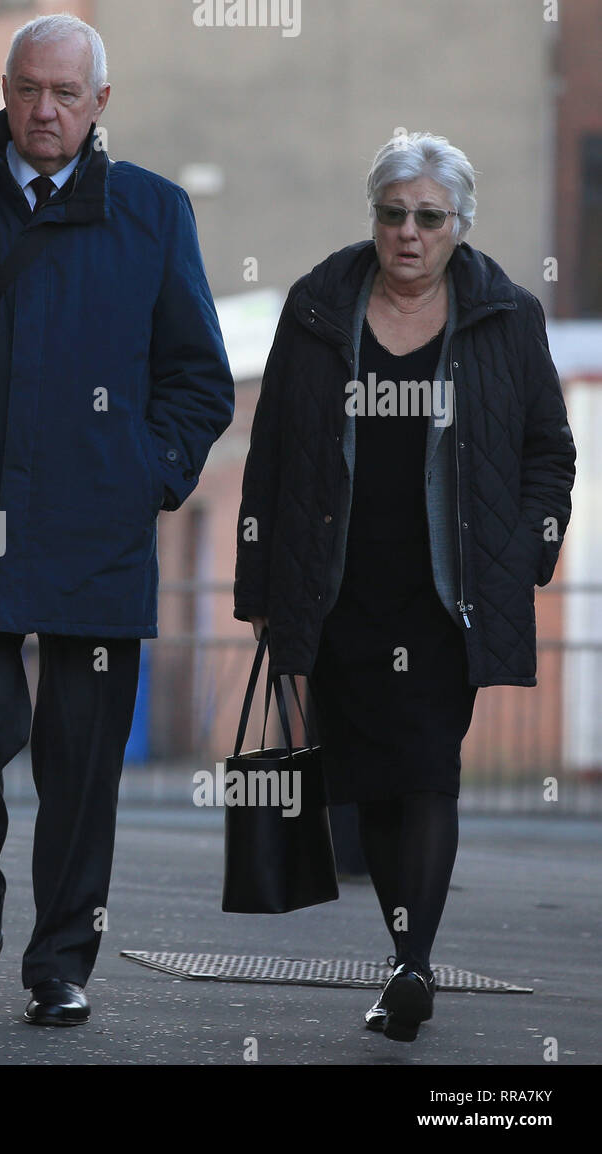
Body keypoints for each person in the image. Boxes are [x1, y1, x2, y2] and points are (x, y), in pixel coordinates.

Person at [0, 14, 234, 1027]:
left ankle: (60, 959)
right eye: (28, 89)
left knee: (81, 763)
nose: (44, 110)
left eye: (66, 93)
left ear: (100, 103)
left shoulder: (152, 212)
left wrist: (147, 470)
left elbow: (198, 375)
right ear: (4, 87)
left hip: (94, 532)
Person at [234, 132, 575, 1042]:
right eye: (394, 215)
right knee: (372, 783)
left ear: (459, 225)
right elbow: (269, 455)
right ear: (374, 218)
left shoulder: (507, 317)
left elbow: (551, 450)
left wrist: (526, 552)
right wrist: (258, 581)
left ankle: (413, 965)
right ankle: (401, 950)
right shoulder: (317, 306)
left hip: (444, 592)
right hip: (340, 585)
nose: (410, 234)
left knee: (427, 771)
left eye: (430, 218)